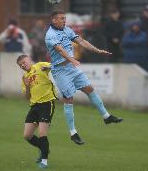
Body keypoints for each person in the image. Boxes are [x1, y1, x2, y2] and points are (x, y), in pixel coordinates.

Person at [45, 10, 123, 145]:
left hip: (71, 68)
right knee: (69, 99)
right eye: (62, 18)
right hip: (60, 72)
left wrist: (97, 50)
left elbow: (81, 41)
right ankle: (73, 133)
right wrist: (72, 59)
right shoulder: (50, 35)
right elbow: (60, 50)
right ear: (54, 20)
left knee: (89, 89)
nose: (64, 20)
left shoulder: (67, 30)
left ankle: (106, 116)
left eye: (65, 18)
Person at [16, 54, 57, 169]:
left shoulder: (40, 66)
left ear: (29, 60)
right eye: (20, 65)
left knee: (42, 133)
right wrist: (28, 86)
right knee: (27, 135)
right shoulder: (25, 77)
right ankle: (44, 149)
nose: (22, 66)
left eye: (23, 62)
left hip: (47, 103)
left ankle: (44, 161)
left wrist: (50, 68)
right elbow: (26, 97)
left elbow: (56, 66)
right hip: (34, 106)